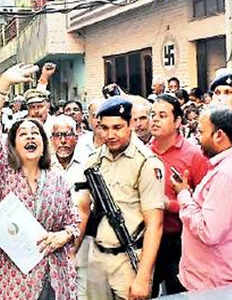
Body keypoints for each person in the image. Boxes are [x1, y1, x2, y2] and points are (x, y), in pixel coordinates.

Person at [0, 63, 80, 299]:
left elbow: (73, 222)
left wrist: (63, 236)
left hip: (54, 278)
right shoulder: (2, 174)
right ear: (12, 145)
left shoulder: (57, 180)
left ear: (44, 143)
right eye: (23, 134)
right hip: (14, 281)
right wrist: (2, 86)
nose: (30, 136)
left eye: (36, 134)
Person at [76, 96, 166, 300]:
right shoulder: (94, 161)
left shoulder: (147, 163)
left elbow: (155, 224)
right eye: (104, 128)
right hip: (97, 257)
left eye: (117, 127)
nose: (110, 135)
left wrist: (143, 278)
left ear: (131, 124)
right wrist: (73, 251)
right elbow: (83, 209)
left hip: (130, 259)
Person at [149, 94, 209, 296]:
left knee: (181, 293)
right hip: (148, 238)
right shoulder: (145, 154)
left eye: (162, 115)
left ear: (177, 122)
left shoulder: (194, 156)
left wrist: (170, 205)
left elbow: (206, 205)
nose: (154, 120)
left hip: (182, 241)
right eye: (153, 114)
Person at [171, 108, 232, 291]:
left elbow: (209, 231)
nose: (197, 138)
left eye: (201, 132)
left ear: (219, 135)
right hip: (207, 278)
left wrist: (183, 196)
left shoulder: (225, 174)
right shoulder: (222, 167)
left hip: (211, 282)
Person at [50, 115, 90, 300]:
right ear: (51, 139)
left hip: (82, 246)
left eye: (67, 135)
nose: (63, 141)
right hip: (50, 246)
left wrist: (73, 250)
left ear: (77, 136)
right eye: (58, 136)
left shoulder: (88, 165)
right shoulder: (43, 166)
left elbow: (88, 208)